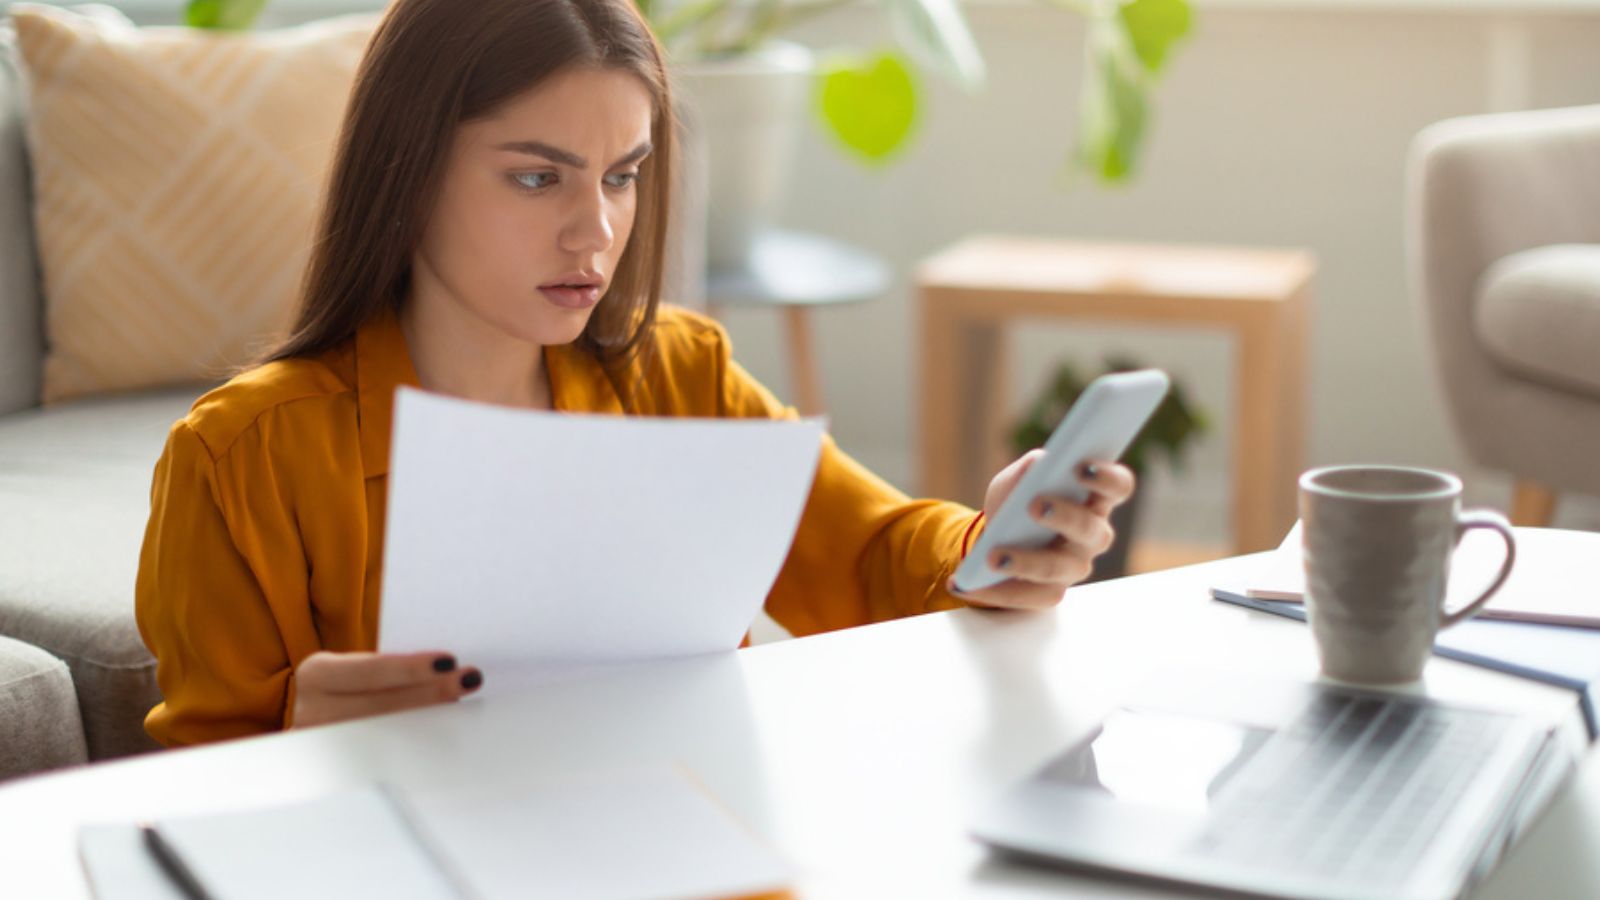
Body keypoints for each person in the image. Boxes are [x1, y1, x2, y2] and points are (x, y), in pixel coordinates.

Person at [134, 0, 1136, 747]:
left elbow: (873, 554)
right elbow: (184, 786)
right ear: (407, 169)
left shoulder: (679, 377)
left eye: (622, 175)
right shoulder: (240, 458)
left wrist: (992, 543)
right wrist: (289, 722)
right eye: (537, 178)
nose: (597, 230)